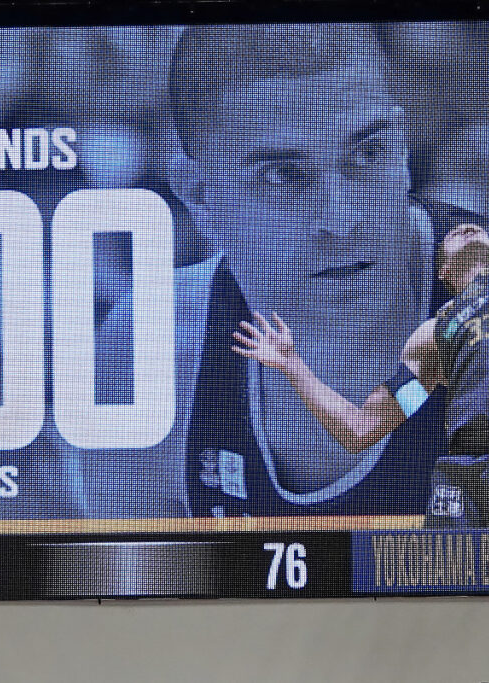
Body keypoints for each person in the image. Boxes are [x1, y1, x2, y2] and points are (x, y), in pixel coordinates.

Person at [77, 24, 457, 518]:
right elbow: (123, 568)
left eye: (370, 151)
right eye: (283, 175)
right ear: (200, 195)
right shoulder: (149, 349)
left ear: (403, 147)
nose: (343, 217)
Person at [233, 86, 489, 526]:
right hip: (467, 470)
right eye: (451, 234)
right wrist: (293, 365)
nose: (465, 227)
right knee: (446, 568)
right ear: (444, 273)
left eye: (474, 227)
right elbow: (360, 430)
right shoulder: (435, 336)